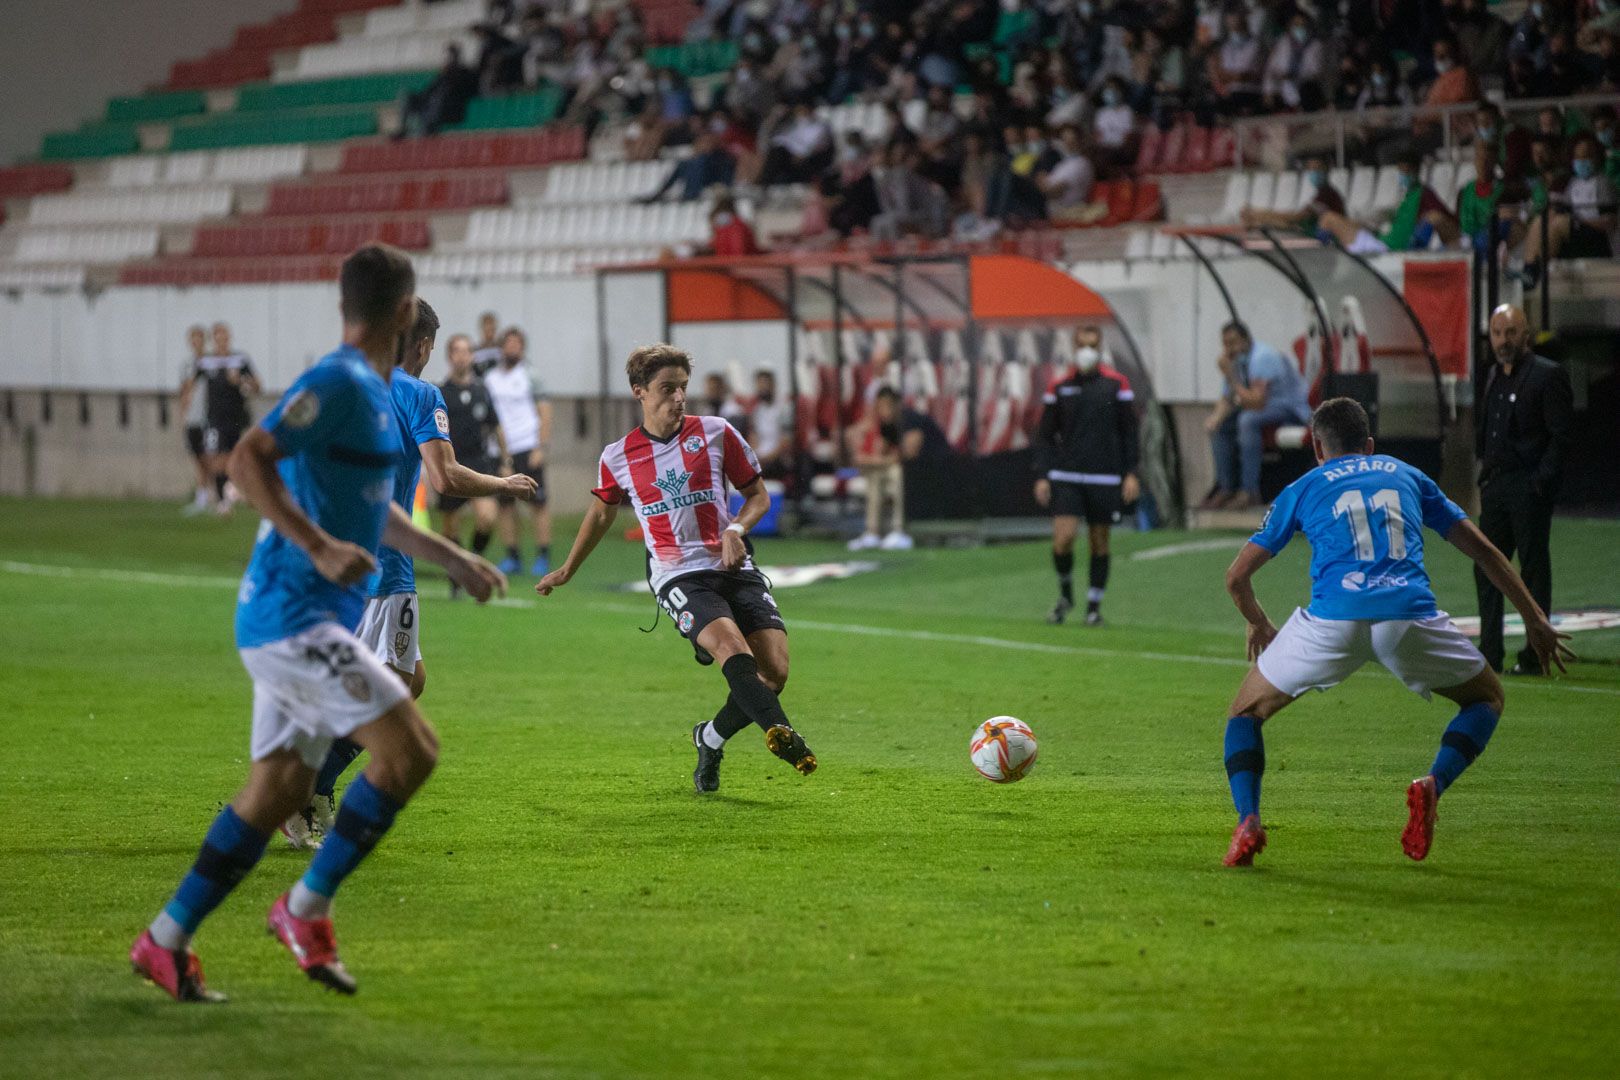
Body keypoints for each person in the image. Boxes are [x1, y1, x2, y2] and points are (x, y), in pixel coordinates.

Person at [128, 244, 506, 1003]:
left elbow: (376, 507)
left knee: (275, 790)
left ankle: (163, 940)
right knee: (410, 751)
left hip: (309, 615)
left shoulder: (373, 391)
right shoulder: (336, 381)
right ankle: (304, 909)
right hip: (291, 616)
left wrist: (449, 558)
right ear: (405, 313)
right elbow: (247, 459)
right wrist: (317, 545)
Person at [1216, 397, 1571, 868]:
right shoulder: (1407, 475)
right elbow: (1485, 551)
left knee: (1244, 713)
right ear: (1368, 445)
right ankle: (1432, 784)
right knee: (1487, 698)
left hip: (1332, 623)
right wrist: (1534, 618)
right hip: (1407, 619)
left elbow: (1236, 578)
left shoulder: (1303, 487)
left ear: (1318, 449)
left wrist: (1260, 623)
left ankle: (1248, 821)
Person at [282, 302, 539, 849]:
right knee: (393, 688)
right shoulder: (420, 393)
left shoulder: (349, 381)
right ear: (422, 345)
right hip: (385, 560)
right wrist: (503, 484)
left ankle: (304, 783)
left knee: (407, 678)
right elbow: (444, 478)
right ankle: (307, 786)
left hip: (331, 555)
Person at [536, 344, 817, 794]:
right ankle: (783, 734)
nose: (679, 398)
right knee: (732, 650)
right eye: (667, 389)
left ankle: (709, 737)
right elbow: (602, 513)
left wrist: (737, 529)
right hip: (676, 573)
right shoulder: (619, 455)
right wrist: (568, 568)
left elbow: (758, 495)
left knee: (774, 673)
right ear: (640, 392)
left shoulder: (718, 432)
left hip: (731, 562)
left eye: (683, 388)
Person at [1474, 304, 1573, 676]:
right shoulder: (1493, 376)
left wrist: (1539, 483)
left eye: (1511, 332)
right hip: (1497, 485)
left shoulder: (1548, 376)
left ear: (1526, 335)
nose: (1504, 340)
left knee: (1532, 570)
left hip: (1527, 486)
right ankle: (1489, 654)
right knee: (1485, 567)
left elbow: (1561, 437)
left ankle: (1535, 656)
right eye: (1498, 333)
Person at [1033, 330, 1139, 626]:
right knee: (1064, 537)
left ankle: (1093, 607)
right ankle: (1066, 594)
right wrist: (1043, 475)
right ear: (1073, 346)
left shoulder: (1116, 385)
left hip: (1103, 475)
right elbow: (1044, 435)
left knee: (1099, 541)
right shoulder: (1060, 385)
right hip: (1067, 474)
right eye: (1082, 345)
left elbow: (1129, 431)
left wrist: (1131, 472)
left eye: (1093, 345)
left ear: (1100, 346)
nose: (1087, 351)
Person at [1202, 322, 1312, 511]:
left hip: (1289, 408)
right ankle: (1226, 487)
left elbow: (1257, 401)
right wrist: (1216, 418)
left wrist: (1230, 375)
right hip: (1263, 408)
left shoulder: (1263, 357)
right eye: (1225, 344)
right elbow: (1228, 397)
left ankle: (1249, 491)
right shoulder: (1237, 360)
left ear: (1245, 340)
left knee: (1247, 420)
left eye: (1233, 343)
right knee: (1220, 426)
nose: (1229, 349)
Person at [437, 332, 510, 593]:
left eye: (467, 350)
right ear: (449, 356)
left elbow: (496, 426)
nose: (462, 355)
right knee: (450, 526)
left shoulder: (482, 390)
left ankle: (473, 561)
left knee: (487, 517)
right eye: (457, 350)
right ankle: (456, 574)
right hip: (450, 463)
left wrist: (505, 460)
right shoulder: (440, 392)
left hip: (479, 462)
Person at [484, 327, 553, 576]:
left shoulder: (530, 375)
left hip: (527, 446)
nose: (512, 348)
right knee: (505, 505)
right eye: (508, 344)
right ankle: (512, 556)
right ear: (502, 347)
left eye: (517, 344)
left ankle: (543, 555)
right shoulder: (491, 378)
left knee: (538, 503)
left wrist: (540, 446)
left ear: (522, 348)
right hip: (501, 452)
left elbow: (545, 411)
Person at [845, 386, 946, 552]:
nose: (882, 411)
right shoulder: (886, 426)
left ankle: (899, 531)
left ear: (896, 405)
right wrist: (870, 460)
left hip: (936, 470)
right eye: (879, 407)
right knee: (876, 475)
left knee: (897, 473)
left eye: (885, 406)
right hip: (914, 470)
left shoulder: (911, 420)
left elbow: (907, 455)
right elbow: (883, 454)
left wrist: (872, 462)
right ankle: (872, 532)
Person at [1317, 153, 1459, 253]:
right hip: (1381, 241)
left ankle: (1322, 264)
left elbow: (1442, 217)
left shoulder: (1424, 194)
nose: (1402, 175)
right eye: (1400, 171)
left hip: (1385, 250)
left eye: (1406, 171)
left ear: (1416, 171)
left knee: (1328, 218)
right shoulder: (1406, 196)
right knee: (1342, 221)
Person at [201, 322, 261, 515]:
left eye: (225, 335)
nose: (222, 340)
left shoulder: (240, 359)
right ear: (213, 339)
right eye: (218, 336)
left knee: (234, 457)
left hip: (235, 417)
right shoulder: (206, 361)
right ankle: (223, 496)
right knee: (213, 458)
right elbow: (190, 384)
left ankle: (229, 494)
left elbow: (258, 386)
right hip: (213, 418)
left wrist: (241, 381)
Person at [1239, 153, 1345, 232]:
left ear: (1326, 170)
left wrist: (1257, 214)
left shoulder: (1327, 195)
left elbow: (1297, 217)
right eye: (1311, 169)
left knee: (1282, 224)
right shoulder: (1321, 194)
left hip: (1331, 239)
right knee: (1277, 224)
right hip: (1318, 233)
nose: (1314, 173)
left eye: (1317, 169)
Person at [177, 325, 212, 516]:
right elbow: (184, 391)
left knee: (209, 457)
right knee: (198, 458)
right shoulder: (187, 365)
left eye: (199, 339)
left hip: (208, 417)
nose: (196, 343)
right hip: (192, 418)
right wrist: (182, 413)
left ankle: (207, 497)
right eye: (193, 339)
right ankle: (203, 497)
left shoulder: (211, 363)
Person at [746, 369, 791, 479]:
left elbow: (786, 441)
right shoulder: (757, 410)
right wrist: (755, 456)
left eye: (765, 384)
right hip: (760, 456)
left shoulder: (783, 408)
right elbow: (753, 437)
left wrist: (767, 458)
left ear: (773, 385)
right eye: (760, 384)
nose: (763, 388)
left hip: (777, 457)